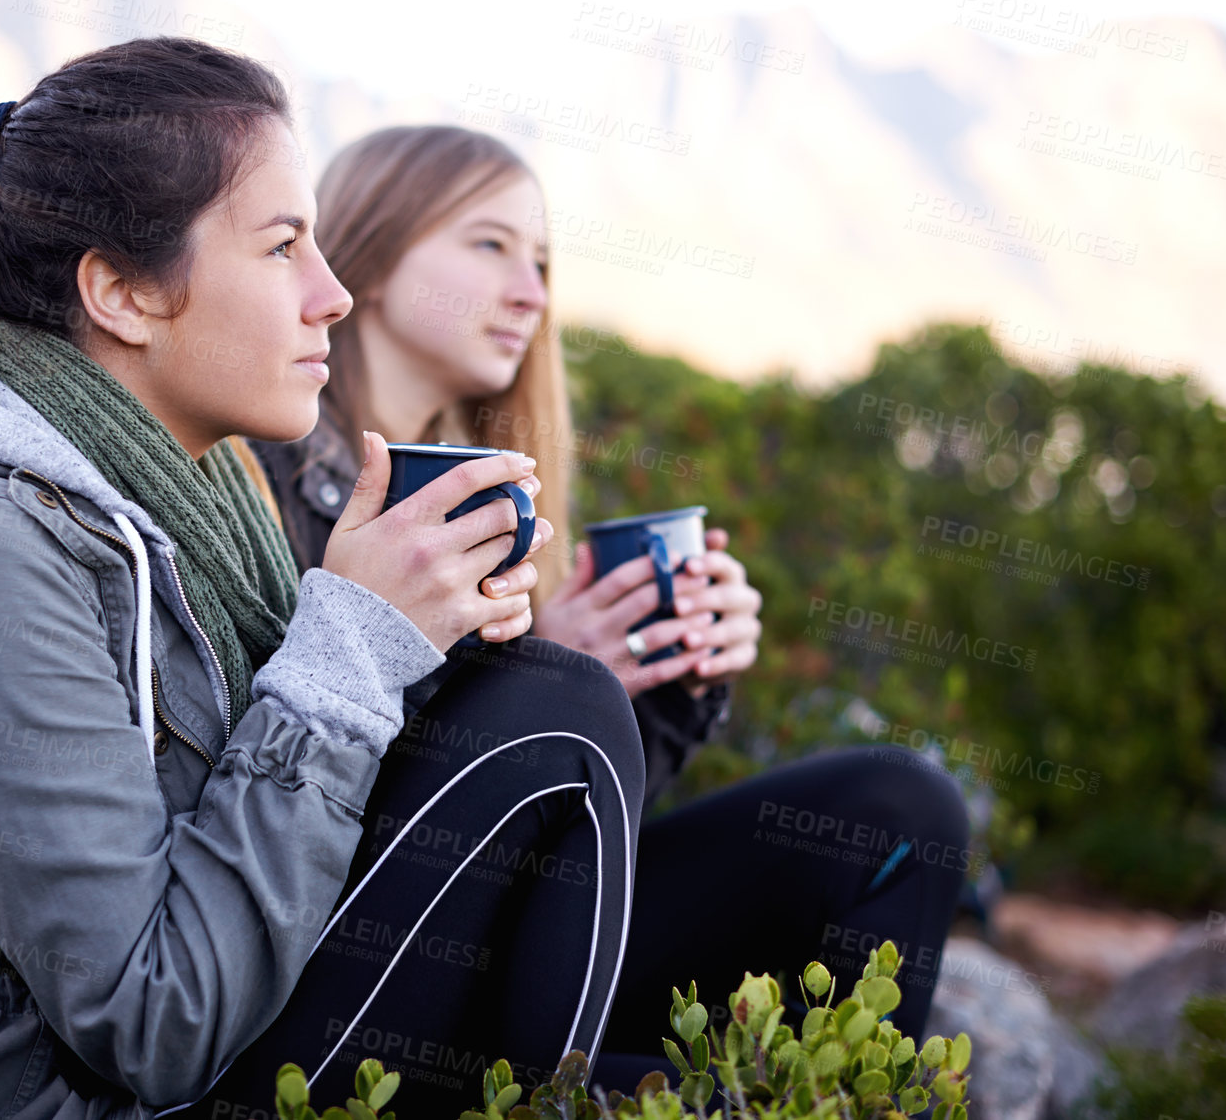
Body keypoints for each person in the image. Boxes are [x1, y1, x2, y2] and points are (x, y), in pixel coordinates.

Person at [0, 42, 644, 1120]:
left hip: (192, 1033)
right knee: (555, 718)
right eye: (284, 247)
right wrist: (353, 648)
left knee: (844, 789)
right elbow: (154, 1022)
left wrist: (426, 653)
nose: (330, 296)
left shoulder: (196, 504)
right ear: (120, 293)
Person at [249, 126, 972, 1083]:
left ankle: (853, 1094)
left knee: (901, 801)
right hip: (377, 970)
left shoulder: (495, 490)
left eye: (542, 260)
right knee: (668, 1092)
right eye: (490, 244)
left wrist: (657, 682)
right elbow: (275, 795)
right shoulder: (261, 471)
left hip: (529, 949)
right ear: (369, 255)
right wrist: (542, 678)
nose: (532, 293)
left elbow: (580, 842)